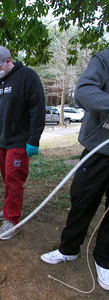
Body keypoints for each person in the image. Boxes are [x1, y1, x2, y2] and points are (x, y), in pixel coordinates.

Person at [41, 47, 109, 291]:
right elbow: (83, 92)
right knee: (82, 199)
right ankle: (68, 249)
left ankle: (105, 260)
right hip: (98, 149)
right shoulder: (104, 58)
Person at [0, 45, 45, 240]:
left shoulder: (27, 76)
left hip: (19, 141)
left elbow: (37, 108)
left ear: (8, 62)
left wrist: (34, 138)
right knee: (7, 180)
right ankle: (8, 209)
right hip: (1, 141)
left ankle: (12, 221)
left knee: (14, 180)